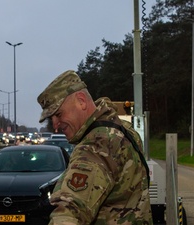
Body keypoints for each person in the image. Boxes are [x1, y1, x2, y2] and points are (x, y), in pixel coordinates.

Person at [37, 70, 153, 225]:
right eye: (52, 119)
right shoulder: (122, 129)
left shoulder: (96, 145)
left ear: (81, 101)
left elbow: (69, 211)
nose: (55, 125)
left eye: (58, 114)